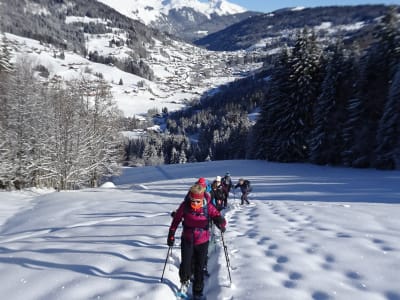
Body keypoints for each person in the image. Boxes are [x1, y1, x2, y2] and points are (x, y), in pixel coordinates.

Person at [167, 184, 226, 299]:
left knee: (199, 267)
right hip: (187, 239)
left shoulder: (208, 207)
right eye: (192, 201)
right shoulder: (185, 206)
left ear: (202, 199)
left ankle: (198, 291)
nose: (194, 204)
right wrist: (171, 234)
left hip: (202, 241)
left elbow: (217, 216)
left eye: (197, 201)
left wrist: (220, 222)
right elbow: (176, 220)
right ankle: (184, 283)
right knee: (186, 265)